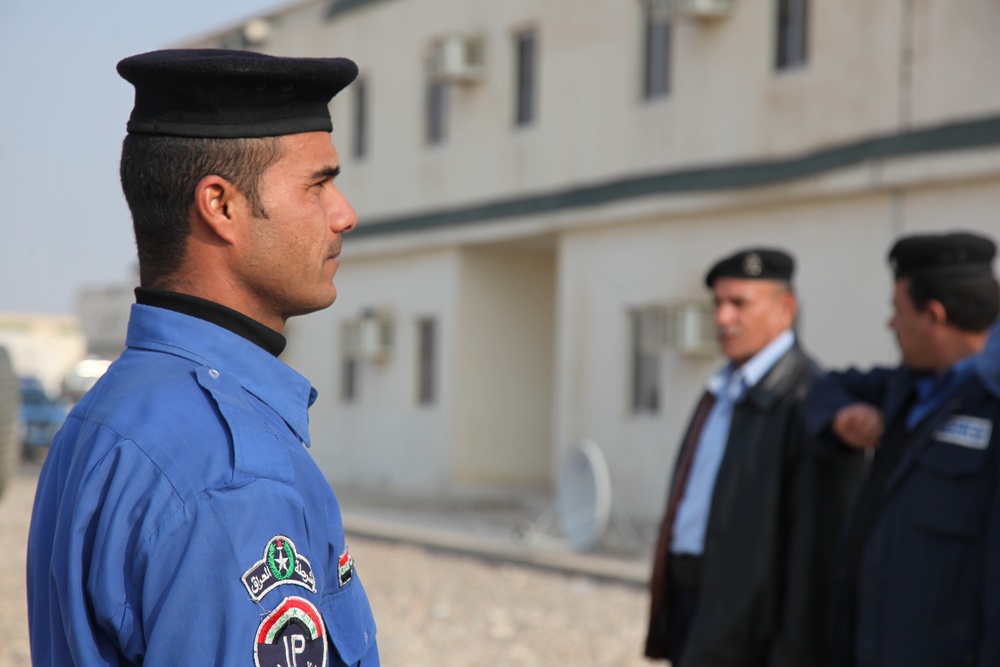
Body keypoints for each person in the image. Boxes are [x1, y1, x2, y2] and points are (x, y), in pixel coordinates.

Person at [26, 49, 379, 666]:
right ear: (220, 206)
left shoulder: (108, 413)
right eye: (318, 184)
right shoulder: (234, 473)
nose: (344, 214)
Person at [645, 248, 863, 666]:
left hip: (753, 636)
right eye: (718, 304)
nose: (723, 319)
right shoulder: (722, 389)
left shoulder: (809, 401)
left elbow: (815, 559)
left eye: (739, 304)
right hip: (697, 606)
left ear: (785, 309)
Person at [805, 231, 1000, 667]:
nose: (890, 324)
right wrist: (844, 417)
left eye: (897, 310)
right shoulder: (911, 387)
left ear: (934, 316)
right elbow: (824, 388)